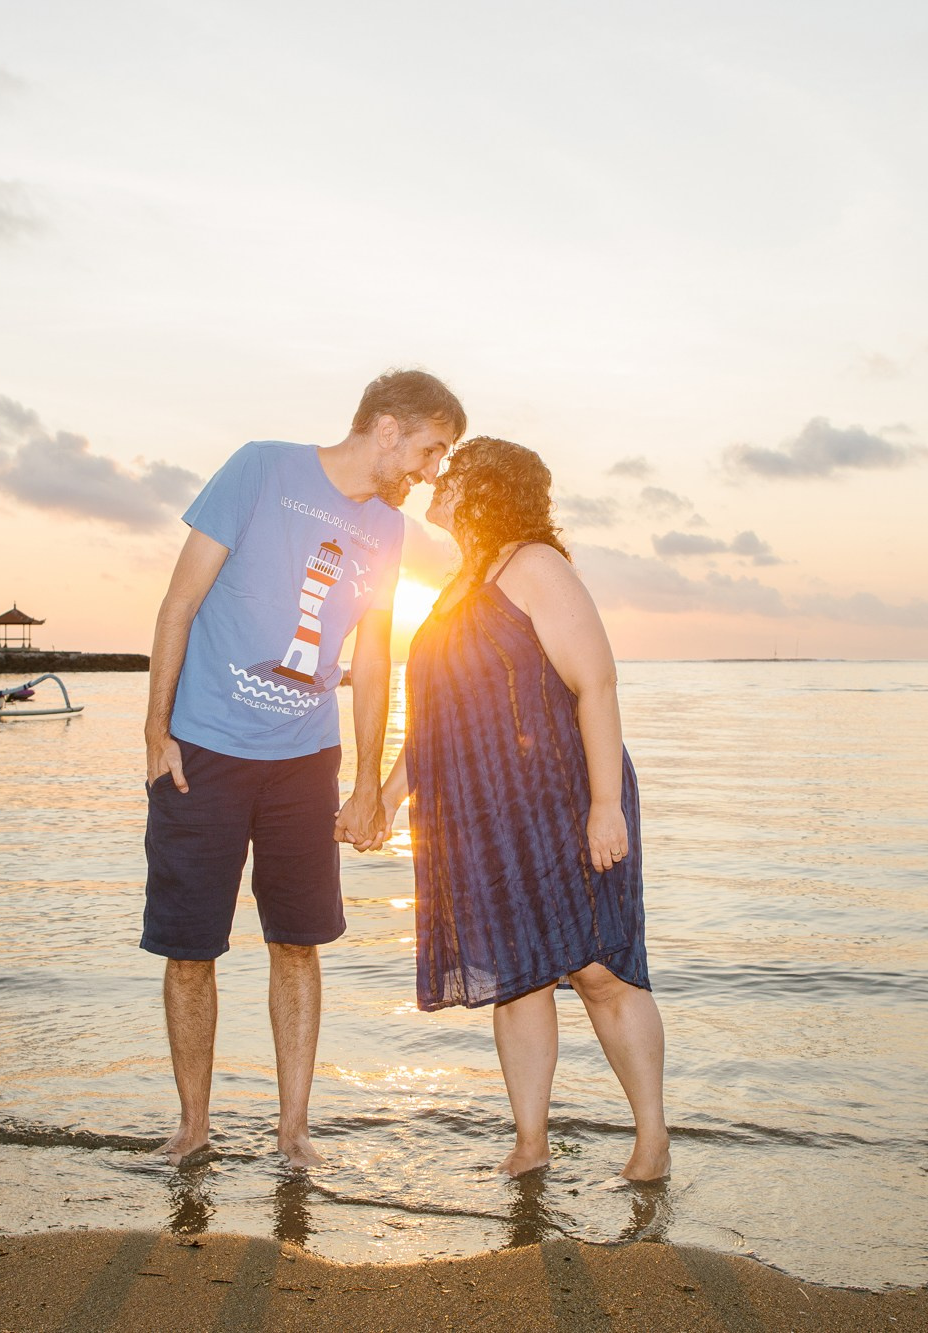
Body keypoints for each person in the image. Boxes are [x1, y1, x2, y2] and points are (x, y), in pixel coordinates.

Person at [142, 369, 464, 1168]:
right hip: (205, 747)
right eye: (431, 450)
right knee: (192, 948)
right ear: (386, 428)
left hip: (304, 761)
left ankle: (293, 1131)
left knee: (299, 942)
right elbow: (179, 600)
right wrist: (155, 726)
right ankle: (193, 1128)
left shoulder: (388, 531)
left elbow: (374, 659)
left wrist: (366, 779)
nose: (432, 473)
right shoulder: (259, 467)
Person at [362, 437, 669, 1181]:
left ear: (488, 487)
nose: (440, 476)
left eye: (455, 468)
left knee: (600, 970)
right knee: (519, 976)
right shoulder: (457, 585)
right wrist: (383, 800)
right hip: (492, 818)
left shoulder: (534, 564)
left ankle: (652, 1140)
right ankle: (531, 1145)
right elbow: (437, 725)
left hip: (565, 801)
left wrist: (604, 806)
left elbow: (596, 684)